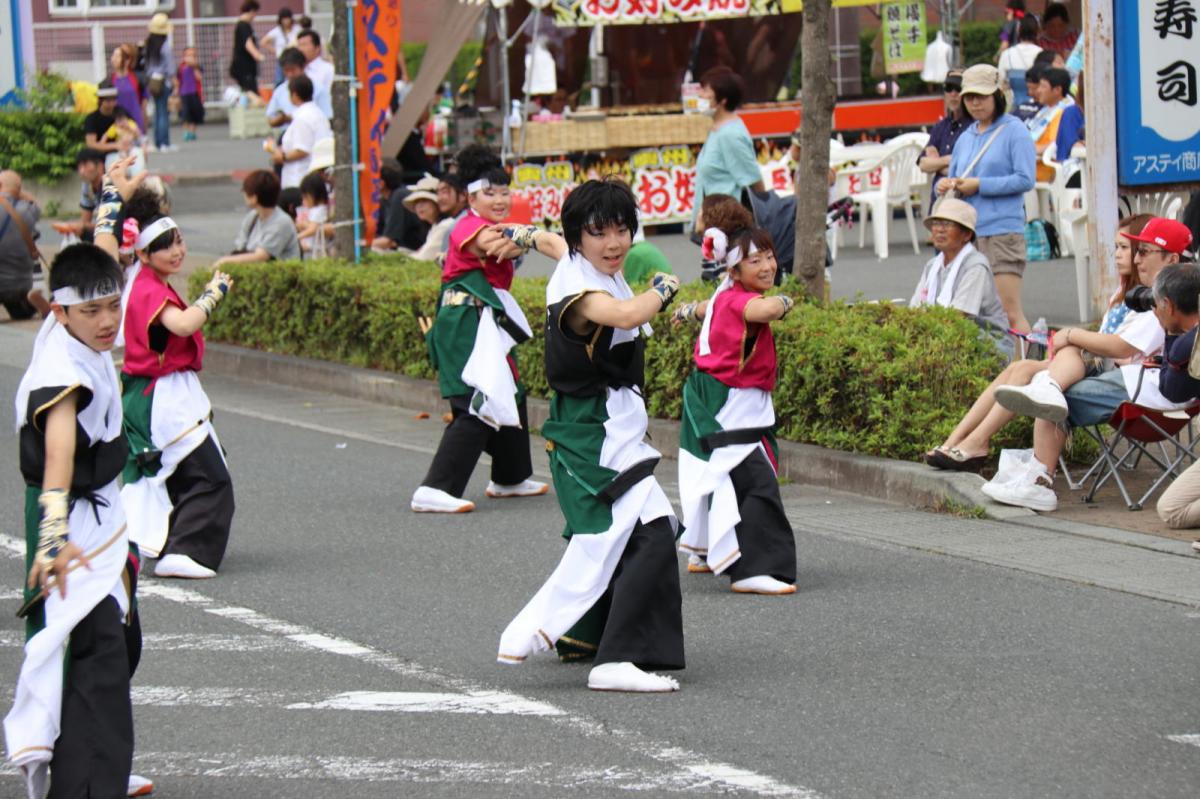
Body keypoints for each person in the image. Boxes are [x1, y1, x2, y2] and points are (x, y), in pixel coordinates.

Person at [496, 178, 685, 693]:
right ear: (582, 237)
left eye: (623, 229)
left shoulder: (580, 260)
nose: (615, 242)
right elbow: (626, 314)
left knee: (647, 529)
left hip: (611, 427)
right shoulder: (580, 291)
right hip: (590, 435)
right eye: (600, 232)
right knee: (627, 533)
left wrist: (526, 235)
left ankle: (594, 641)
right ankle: (613, 656)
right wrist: (663, 289)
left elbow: (557, 244)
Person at [4, 242, 144, 798]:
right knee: (95, 650)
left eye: (113, 304)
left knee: (120, 642)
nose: (108, 320)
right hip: (70, 526)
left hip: (104, 516)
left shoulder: (71, 331)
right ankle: (85, 784)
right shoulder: (63, 370)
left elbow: (102, 250)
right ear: (58, 310)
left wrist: (113, 191)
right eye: (92, 311)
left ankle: (94, 766)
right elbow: (59, 455)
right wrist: (53, 538)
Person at [90, 156, 239, 579]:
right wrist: (215, 293)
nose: (178, 251)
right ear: (144, 251)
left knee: (178, 472)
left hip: (154, 393)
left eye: (178, 241)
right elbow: (184, 323)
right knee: (212, 478)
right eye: (166, 245)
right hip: (163, 397)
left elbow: (108, 244)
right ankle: (186, 550)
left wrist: (116, 193)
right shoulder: (145, 290)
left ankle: (162, 540)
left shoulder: (135, 277)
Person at [983, 222, 1196, 512]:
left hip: (1148, 392)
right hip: (1141, 382)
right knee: (1052, 382)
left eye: (1143, 251)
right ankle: (1024, 462)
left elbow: (1125, 350)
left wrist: (1072, 335)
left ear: (1172, 258)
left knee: (1055, 398)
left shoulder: (1169, 299)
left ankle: (1039, 480)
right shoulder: (1154, 294)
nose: (1135, 258)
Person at [923, 214, 1160, 471]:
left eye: (1125, 248)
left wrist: (1074, 336)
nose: (1118, 254)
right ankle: (958, 440)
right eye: (1116, 247)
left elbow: (1121, 349)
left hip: (1117, 376)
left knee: (1066, 348)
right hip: (1095, 364)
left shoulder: (1154, 300)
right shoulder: (1122, 292)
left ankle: (978, 442)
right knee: (1020, 368)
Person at [411, 146, 546, 513]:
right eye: (490, 193)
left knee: (511, 394)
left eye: (505, 192)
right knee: (478, 400)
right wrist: (533, 238)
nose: (500, 200)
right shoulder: (468, 226)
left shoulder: (491, 224)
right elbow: (494, 246)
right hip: (464, 324)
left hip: (489, 323)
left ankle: (509, 477)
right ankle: (434, 488)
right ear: (471, 196)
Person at [670, 225, 798, 595]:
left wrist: (688, 310)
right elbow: (767, 308)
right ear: (733, 270)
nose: (767, 266)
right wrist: (786, 302)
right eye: (754, 261)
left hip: (727, 398)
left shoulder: (725, 293)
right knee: (754, 482)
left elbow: (710, 307)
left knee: (725, 476)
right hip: (728, 403)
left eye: (769, 257)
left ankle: (707, 549)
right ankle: (753, 568)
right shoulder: (741, 299)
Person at [938, 64, 1036, 334]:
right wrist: (946, 185)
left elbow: (1026, 178)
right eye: (969, 97)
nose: (975, 103)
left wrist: (980, 185)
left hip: (1002, 231)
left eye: (981, 96)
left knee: (1009, 312)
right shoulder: (966, 137)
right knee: (972, 314)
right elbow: (958, 179)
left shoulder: (1014, 130)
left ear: (997, 96)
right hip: (967, 235)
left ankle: (1026, 371)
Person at [909, 198, 1009, 332]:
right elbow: (915, 308)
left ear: (967, 235)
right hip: (943, 334)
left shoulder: (976, 266)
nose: (939, 230)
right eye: (936, 223)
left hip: (986, 340)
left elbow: (957, 317)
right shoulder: (932, 265)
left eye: (947, 224)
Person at [1154, 271, 1200, 539]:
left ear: (1168, 305)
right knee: (1171, 508)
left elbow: (1172, 390)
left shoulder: (1186, 344)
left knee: (1172, 510)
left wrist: (1168, 333)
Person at [692, 67, 765, 231]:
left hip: (729, 225)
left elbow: (753, 179)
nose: (700, 96)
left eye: (705, 90)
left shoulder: (730, 135)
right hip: (715, 222)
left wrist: (767, 211)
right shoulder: (717, 129)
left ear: (723, 99)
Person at [217, 170, 301, 265]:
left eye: (246, 191)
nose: (244, 195)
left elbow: (261, 256)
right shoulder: (253, 216)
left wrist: (224, 261)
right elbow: (240, 247)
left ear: (254, 197)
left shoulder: (282, 222)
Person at [917, 69, 971, 209]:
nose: (953, 94)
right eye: (948, 88)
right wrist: (947, 160)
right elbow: (923, 164)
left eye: (958, 88)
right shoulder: (940, 126)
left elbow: (966, 170)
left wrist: (937, 163)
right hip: (937, 201)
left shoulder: (974, 126)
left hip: (962, 200)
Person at [270, 75, 331, 189]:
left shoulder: (302, 118)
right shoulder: (316, 113)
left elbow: (302, 150)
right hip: (313, 174)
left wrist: (282, 157)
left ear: (294, 95)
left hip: (300, 177)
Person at [0, 170, 41, 320]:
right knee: (21, 312)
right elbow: (37, 205)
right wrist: (19, 192)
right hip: (19, 286)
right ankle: (28, 303)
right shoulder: (29, 209)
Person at [266, 47, 332, 131]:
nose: (290, 74)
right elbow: (270, 117)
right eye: (286, 71)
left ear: (303, 67)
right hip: (286, 134)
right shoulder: (280, 91)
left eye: (293, 70)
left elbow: (327, 116)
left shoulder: (318, 88)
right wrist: (281, 119)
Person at [372, 158, 429, 252]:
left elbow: (388, 241)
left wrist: (359, 244)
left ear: (381, 184)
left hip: (417, 252)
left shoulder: (400, 196)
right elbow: (378, 235)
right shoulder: (384, 200)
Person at [1027, 67, 1073, 183]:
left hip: (1043, 175)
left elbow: (1054, 146)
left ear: (1057, 90)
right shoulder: (1047, 109)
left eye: (1043, 86)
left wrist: (1024, 149)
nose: (1038, 91)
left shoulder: (1064, 112)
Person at [143, 13, 175, 153]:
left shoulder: (148, 45)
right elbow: (171, 67)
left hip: (152, 81)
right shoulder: (165, 46)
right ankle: (165, 143)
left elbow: (145, 64)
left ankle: (157, 142)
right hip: (163, 81)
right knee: (163, 113)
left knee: (157, 112)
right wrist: (173, 80)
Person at [402, 174, 452, 261]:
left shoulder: (445, 226)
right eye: (416, 202)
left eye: (424, 201)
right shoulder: (434, 227)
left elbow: (423, 258)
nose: (419, 206)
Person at [998, 15, 1042, 110]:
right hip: (1037, 108)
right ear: (1037, 31)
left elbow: (1000, 83)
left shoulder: (1007, 54)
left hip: (1013, 108)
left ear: (1018, 31)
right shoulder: (1042, 54)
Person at [230, 1, 265, 97]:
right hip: (244, 67)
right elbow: (248, 43)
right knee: (250, 92)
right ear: (252, 11)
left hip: (246, 67)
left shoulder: (244, 25)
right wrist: (258, 56)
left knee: (248, 92)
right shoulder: (243, 25)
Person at [110, 44, 145, 134]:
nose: (113, 59)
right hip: (117, 124)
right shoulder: (109, 81)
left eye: (117, 56)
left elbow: (143, 103)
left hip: (135, 122)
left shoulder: (137, 78)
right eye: (113, 56)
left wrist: (143, 123)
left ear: (127, 60)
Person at [262, 7, 299, 86]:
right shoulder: (277, 31)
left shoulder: (297, 29)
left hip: (294, 58)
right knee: (279, 80)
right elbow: (263, 42)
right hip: (282, 59)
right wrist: (275, 51)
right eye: (284, 19)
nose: (286, 21)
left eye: (287, 18)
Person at [296, 171, 330, 257]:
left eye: (305, 197)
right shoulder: (320, 209)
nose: (304, 201)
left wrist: (297, 237)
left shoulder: (318, 210)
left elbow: (312, 229)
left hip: (314, 251)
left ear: (313, 195)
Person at [84, 81, 121, 154]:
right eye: (108, 100)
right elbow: (91, 144)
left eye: (114, 100)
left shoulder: (121, 113)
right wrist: (115, 146)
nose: (112, 104)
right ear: (100, 101)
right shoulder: (92, 118)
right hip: (100, 157)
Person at [176, 46, 205, 141]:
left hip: (195, 92)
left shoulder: (197, 67)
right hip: (184, 93)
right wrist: (177, 91)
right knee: (185, 114)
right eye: (188, 55)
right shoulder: (181, 67)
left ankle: (193, 132)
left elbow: (199, 77)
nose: (190, 57)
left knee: (194, 113)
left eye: (192, 55)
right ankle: (186, 132)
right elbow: (178, 80)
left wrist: (194, 67)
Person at [296, 28, 334, 99]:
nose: (300, 49)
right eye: (299, 45)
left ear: (317, 48)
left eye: (304, 45)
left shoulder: (328, 70)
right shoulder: (297, 70)